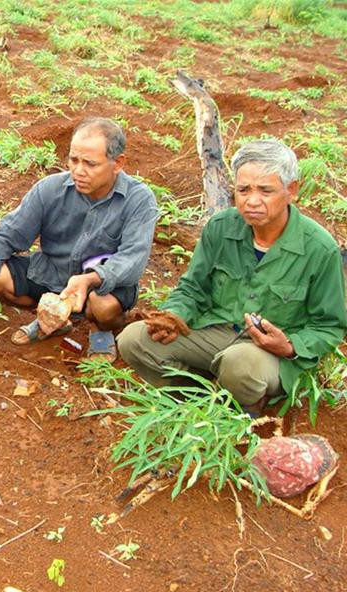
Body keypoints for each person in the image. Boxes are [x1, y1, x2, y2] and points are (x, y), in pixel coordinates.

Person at [118, 138, 347, 416]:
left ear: (291, 191)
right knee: (134, 340)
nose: (252, 201)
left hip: (268, 354)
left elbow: (329, 326)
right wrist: (174, 314)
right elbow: (193, 287)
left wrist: (289, 346)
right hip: (218, 331)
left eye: (265, 190)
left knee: (240, 365)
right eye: (243, 189)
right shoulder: (221, 227)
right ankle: (196, 394)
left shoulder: (318, 248)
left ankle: (247, 402)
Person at [0, 117, 158, 348]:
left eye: (90, 164)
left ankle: (100, 330)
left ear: (118, 163)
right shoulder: (50, 189)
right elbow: (7, 234)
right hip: (52, 274)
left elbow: (132, 259)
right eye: (73, 160)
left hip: (101, 284)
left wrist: (90, 279)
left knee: (103, 307)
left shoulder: (138, 200)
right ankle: (52, 317)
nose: (78, 170)